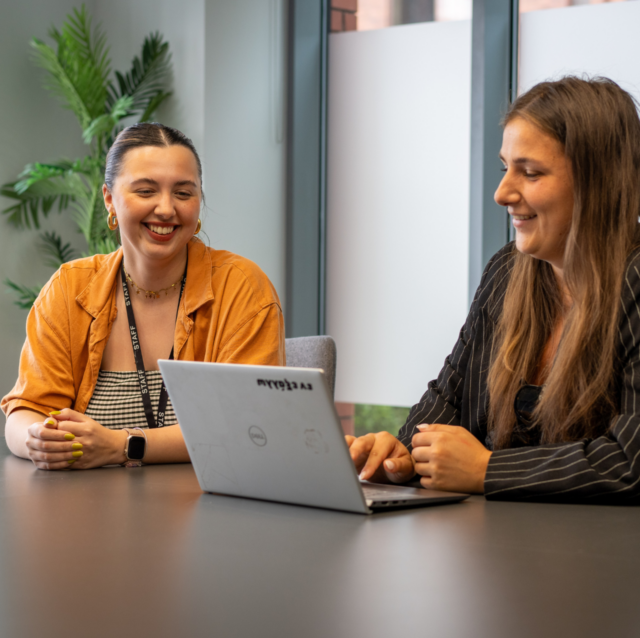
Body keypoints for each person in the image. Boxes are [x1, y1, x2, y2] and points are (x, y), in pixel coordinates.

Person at [348, 76, 640, 502]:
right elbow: (447, 399)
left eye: (531, 172)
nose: (502, 193)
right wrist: (404, 454)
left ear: (599, 182)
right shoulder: (508, 270)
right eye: (506, 168)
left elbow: (631, 461)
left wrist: (488, 469)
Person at [2, 123, 285, 470]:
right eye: (146, 191)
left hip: (209, 513)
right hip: (85, 513)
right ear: (109, 198)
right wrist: (38, 438)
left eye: (183, 193)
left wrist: (125, 445)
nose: (166, 209)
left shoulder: (241, 287)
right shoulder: (69, 288)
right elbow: (25, 411)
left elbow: (249, 427)